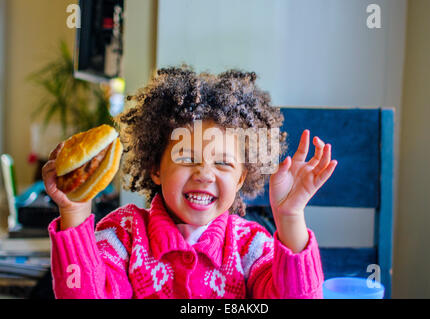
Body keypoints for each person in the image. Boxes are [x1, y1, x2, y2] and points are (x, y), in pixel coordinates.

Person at [42, 66, 337, 299]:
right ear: (155, 167)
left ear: (241, 179)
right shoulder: (123, 235)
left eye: (222, 163)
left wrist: (290, 217)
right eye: (186, 158)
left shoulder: (250, 247)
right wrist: (75, 210)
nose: (205, 174)